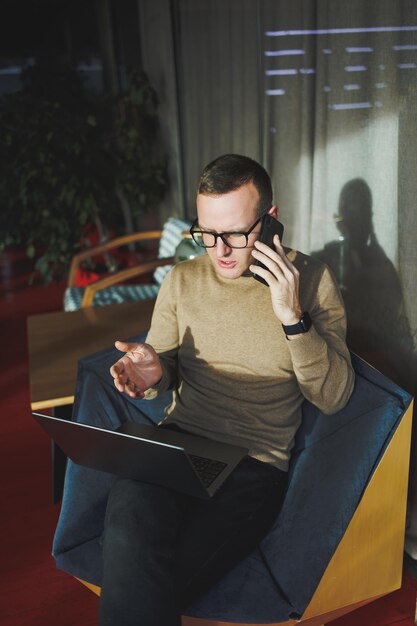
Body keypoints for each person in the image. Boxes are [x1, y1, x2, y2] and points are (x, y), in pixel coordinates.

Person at [98, 154, 355, 625]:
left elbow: (334, 396)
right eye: (207, 233)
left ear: (272, 219)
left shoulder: (312, 282)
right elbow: (161, 369)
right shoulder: (182, 280)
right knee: (128, 525)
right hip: (177, 442)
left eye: (236, 233)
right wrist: (154, 373)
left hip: (253, 466)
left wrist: (291, 318)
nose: (221, 251)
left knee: (153, 576)